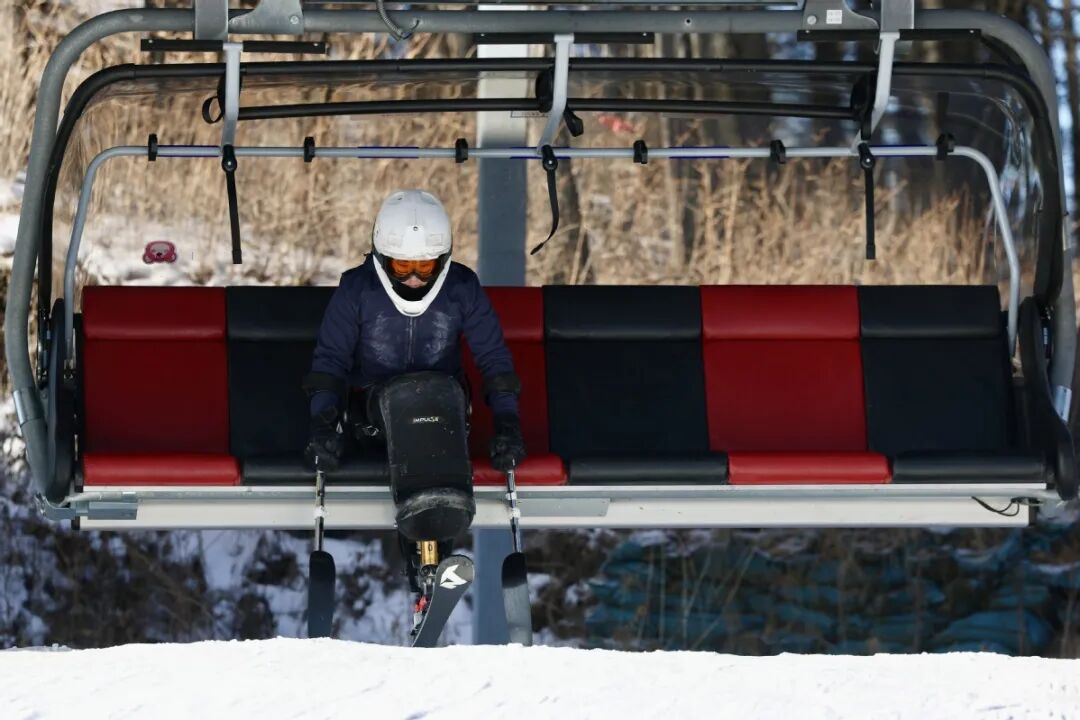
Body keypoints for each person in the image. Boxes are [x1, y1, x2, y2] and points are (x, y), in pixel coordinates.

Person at [302, 189, 526, 546]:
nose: (414, 279)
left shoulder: (462, 288)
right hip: (376, 418)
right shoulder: (357, 289)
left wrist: (507, 424)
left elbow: (494, 360)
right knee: (406, 405)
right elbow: (331, 361)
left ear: (442, 260)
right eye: (403, 267)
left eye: (425, 267)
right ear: (382, 257)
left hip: (445, 415)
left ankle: (440, 537)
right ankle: (422, 541)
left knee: (433, 401)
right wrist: (322, 424)